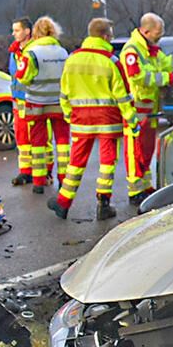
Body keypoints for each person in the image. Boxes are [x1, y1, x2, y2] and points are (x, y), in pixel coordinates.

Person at [48, 18, 137, 220]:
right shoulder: (112, 61)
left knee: (76, 163)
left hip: (81, 120)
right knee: (107, 163)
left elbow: (64, 92)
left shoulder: (72, 59)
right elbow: (123, 96)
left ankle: (63, 203)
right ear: (105, 36)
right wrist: (132, 120)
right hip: (108, 120)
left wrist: (69, 114)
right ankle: (103, 204)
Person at [119, 12, 173, 206]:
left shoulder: (151, 49)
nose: (160, 37)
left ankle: (145, 187)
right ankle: (134, 190)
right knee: (135, 150)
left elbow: (168, 63)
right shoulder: (132, 51)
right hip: (136, 109)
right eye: (158, 33)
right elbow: (139, 77)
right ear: (146, 31)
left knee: (146, 150)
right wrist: (166, 79)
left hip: (149, 109)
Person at [16, 16, 69, 194]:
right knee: (62, 142)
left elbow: (22, 77)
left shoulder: (32, 53)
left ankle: (38, 181)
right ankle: (64, 179)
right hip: (58, 102)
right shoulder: (62, 52)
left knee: (38, 142)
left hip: (37, 102)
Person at [8, 16, 37, 186]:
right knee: (22, 137)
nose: (14, 34)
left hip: (32, 99)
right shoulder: (14, 50)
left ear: (27, 31)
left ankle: (43, 170)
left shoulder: (34, 50)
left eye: (17, 30)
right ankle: (25, 171)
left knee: (38, 138)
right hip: (19, 101)